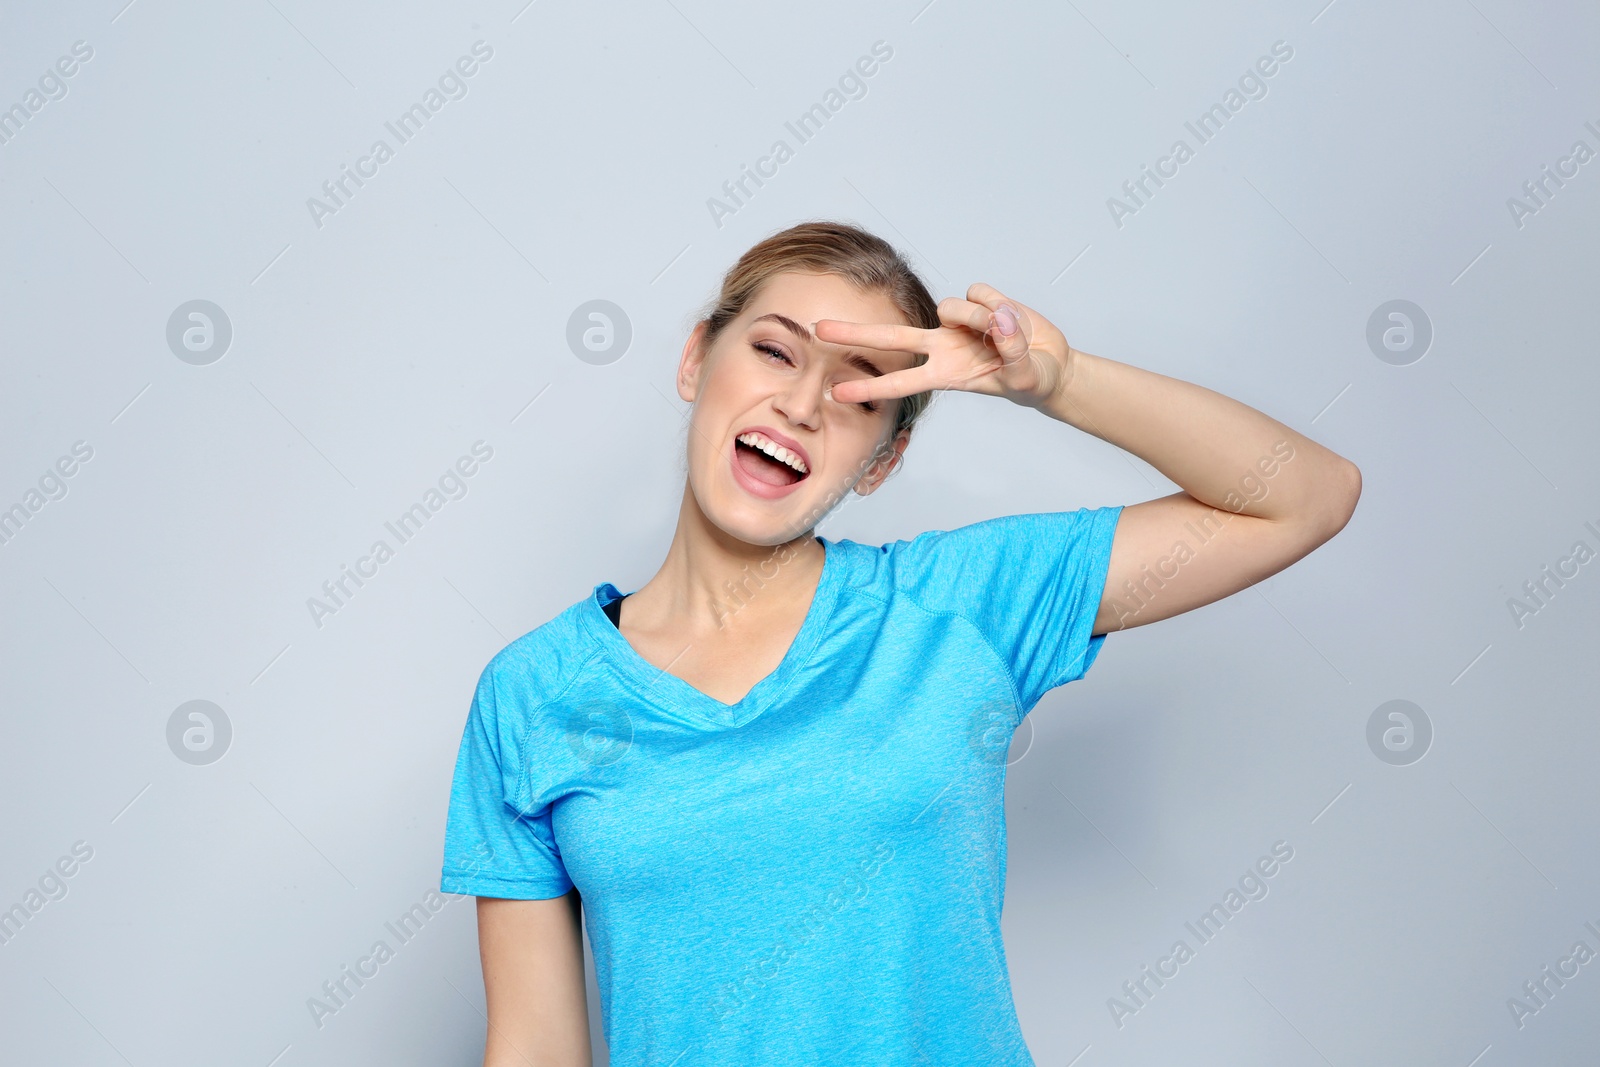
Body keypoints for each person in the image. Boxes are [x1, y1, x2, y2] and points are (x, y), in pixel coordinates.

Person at [440, 220, 1361, 1066]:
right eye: (772, 350)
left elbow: (1306, 496)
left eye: (856, 391)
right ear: (694, 359)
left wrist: (1061, 382)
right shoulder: (533, 692)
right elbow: (533, 1049)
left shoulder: (959, 606)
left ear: (882, 461)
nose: (802, 403)